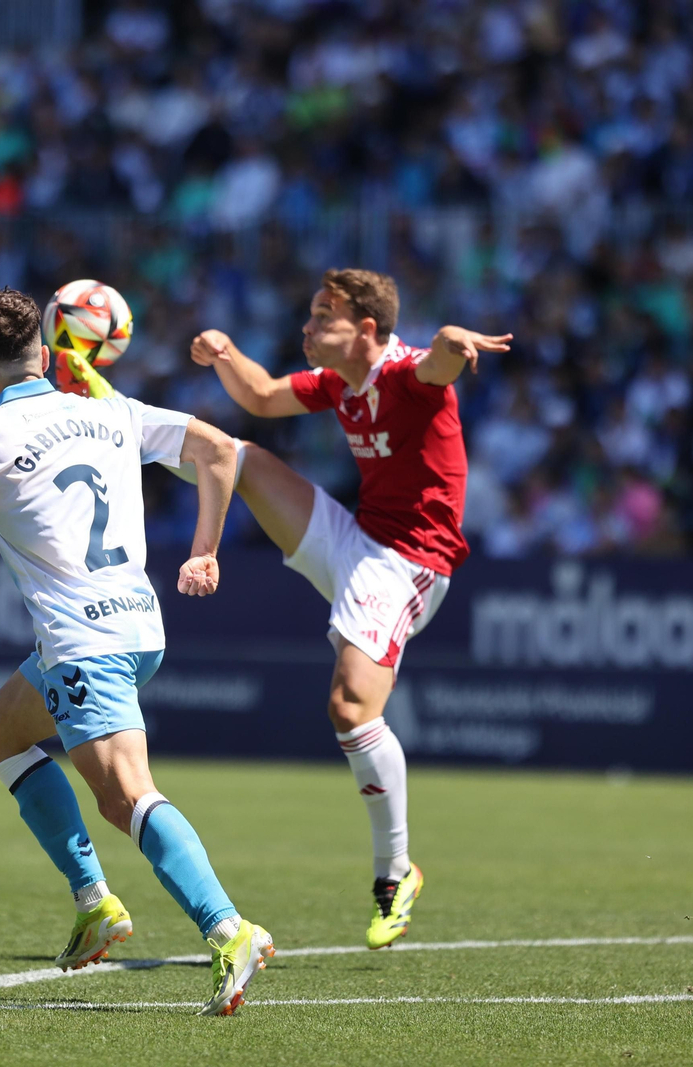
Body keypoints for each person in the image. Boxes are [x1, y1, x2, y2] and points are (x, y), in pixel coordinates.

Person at [0, 287, 274, 1016]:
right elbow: (221, 450)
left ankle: (230, 928)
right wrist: (205, 552)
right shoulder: (111, 411)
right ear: (45, 351)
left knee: (125, 794)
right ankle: (94, 900)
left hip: (82, 643)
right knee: (1, 731)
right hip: (139, 625)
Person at [183, 268, 509, 949]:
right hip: (357, 542)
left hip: (409, 561)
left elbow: (438, 363)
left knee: (351, 706)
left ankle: (395, 873)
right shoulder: (341, 383)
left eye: (322, 316)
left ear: (366, 329)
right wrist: (223, 352)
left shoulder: (403, 376)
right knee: (236, 453)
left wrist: (452, 339)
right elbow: (264, 394)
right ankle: (202, 551)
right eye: (308, 315)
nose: (307, 328)